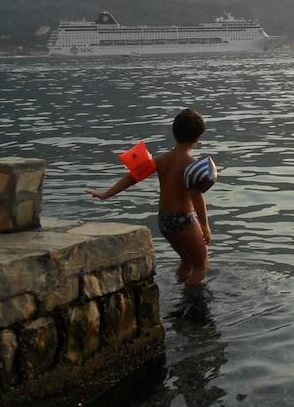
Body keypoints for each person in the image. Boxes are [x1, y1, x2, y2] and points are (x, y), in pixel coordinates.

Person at [87, 109, 215, 297]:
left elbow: (132, 178)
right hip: (183, 221)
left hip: (164, 221)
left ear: (174, 133)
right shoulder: (191, 165)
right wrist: (204, 225)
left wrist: (106, 194)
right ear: (199, 136)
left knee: (186, 262)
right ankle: (191, 304)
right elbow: (196, 197)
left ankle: (179, 288)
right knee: (201, 265)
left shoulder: (161, 160)